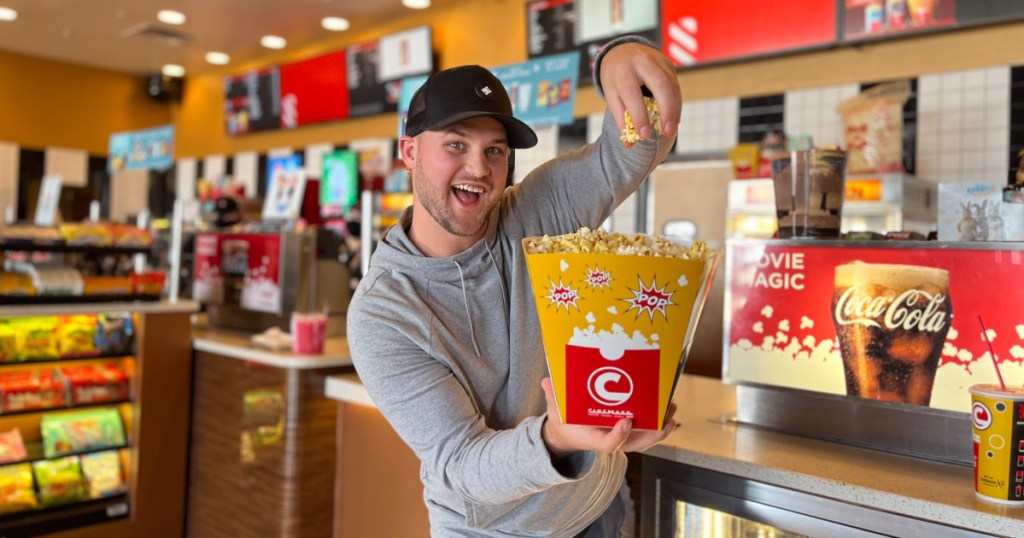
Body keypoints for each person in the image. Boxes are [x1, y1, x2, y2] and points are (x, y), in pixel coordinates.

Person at [347, 37, 681, 537]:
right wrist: (557, 439)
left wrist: (619, 58)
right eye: (456, 144)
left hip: (601, 507)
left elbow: (627, 157)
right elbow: (462, 463)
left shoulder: (535, 212)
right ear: (410, 152)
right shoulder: (383, 314)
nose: (479, 169)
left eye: (495, 150)